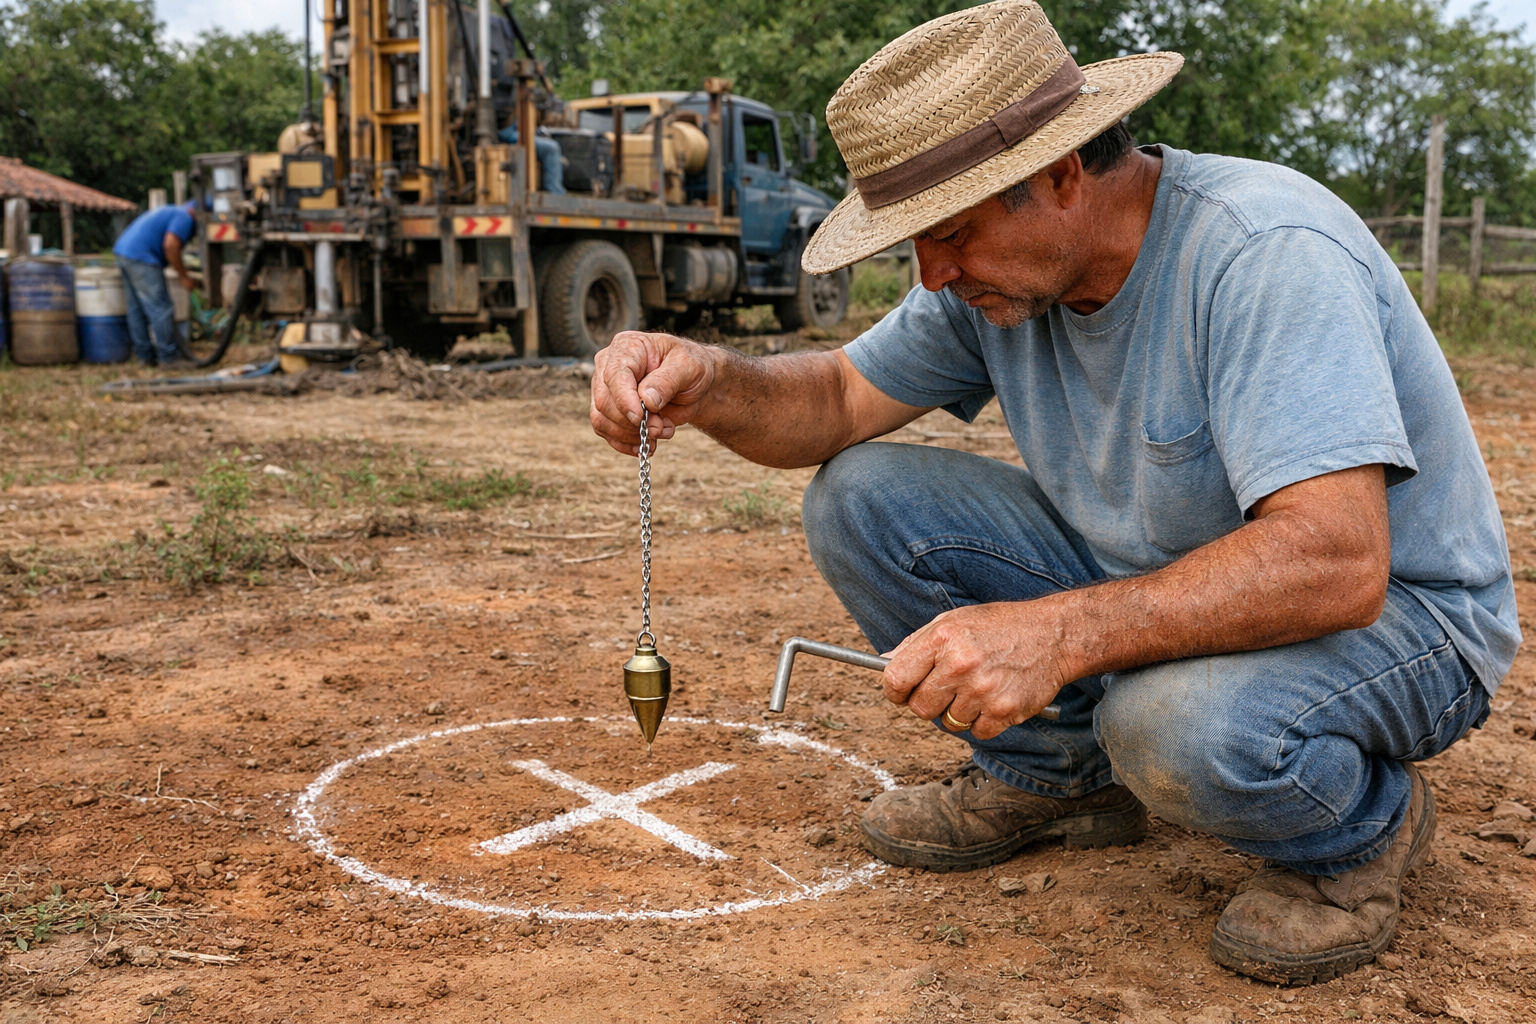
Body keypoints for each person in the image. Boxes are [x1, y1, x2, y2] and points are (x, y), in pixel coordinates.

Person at [589, 0, 1518, 987]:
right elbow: (836, 398)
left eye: (948, 234)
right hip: (1168, 582)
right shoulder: (998, 276)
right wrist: (712, 383)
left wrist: (1060, 635)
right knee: (859, 495)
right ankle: (1063, 781)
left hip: (1406, 623)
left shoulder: (1262, 253)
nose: (932, 274)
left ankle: (1361, 834)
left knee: (1167, 725)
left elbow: (1334, 561)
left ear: (1064, 173)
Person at [113, 200, 196, 367]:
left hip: (123, 252)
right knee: (160, 308)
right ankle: (168, 358)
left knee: (136, 309)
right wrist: (184, 275)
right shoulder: (185, 216)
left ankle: (145, 357)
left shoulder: (170, 211)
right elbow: (171, 245)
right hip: (141, 257)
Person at [498, 123, 566, 195]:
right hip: (506, 131)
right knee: (551, 148)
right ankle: (555, 192)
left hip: (515, 128)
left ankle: (555, 189)